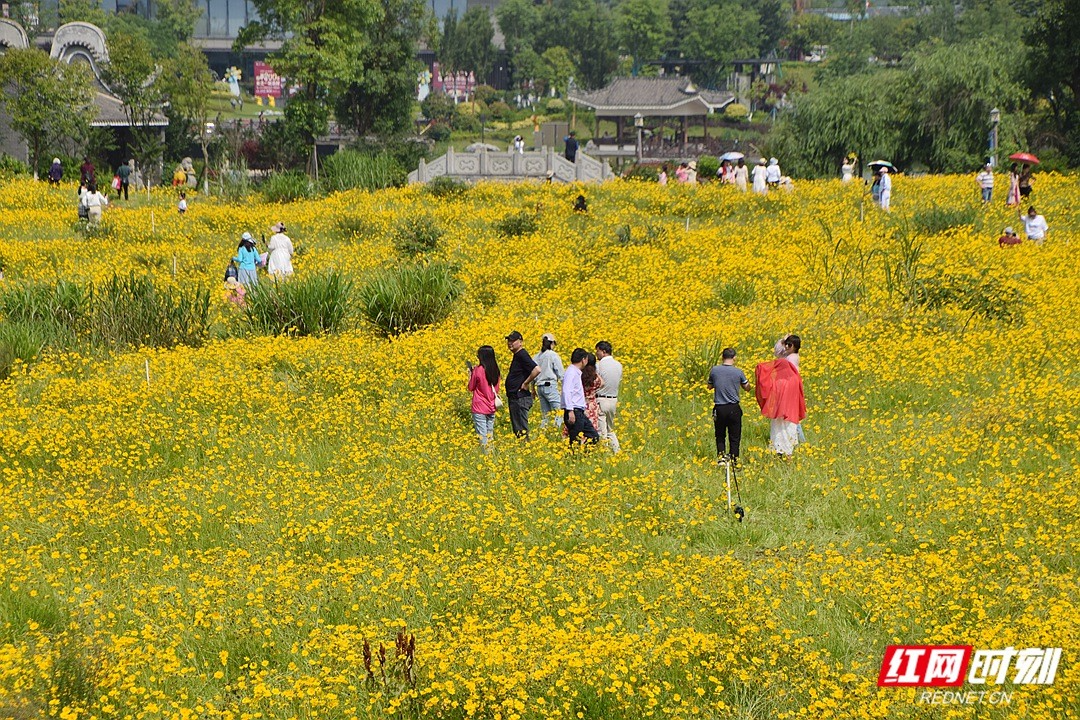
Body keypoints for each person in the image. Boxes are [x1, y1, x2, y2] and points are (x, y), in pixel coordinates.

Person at [755, 342, 806, 458]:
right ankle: (789, 456)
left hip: (778, 413)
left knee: (778, 433)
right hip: (791, 412)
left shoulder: (777, 381)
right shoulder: (794, 379)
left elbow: (766, 391)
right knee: (790, 432)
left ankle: (779, 455)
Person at [708, 348, 751, 464]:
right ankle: (734, 458)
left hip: (719, 408)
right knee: (735, 436)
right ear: (734, 358)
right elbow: (747, 387)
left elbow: (709, 386)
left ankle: (721, 458)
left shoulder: (714, 370)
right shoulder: (738, 372)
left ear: (722, 357)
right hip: (733, 408)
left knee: (720, 434)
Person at [561, 348, 600, 450]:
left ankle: (582, 455)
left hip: (579, 411)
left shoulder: (576, 372)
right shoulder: (571, 372)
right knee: (575, 440)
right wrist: (570, 411)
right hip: (574, 410)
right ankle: (573, 459)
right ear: (583, 360)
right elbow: (566, 391)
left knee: (593, 436)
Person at [504, 330, 540, 440]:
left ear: (520, 342)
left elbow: (537, 369)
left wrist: (526, 383)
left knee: (521, 429)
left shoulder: (522, 354)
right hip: (515, 397)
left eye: (513, 341)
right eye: (509, 341)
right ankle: (523, 446)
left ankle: (525, 447)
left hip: (520, 397)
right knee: (518, 428)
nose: (510, 343)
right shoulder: (518, 355)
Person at [467, 345, 501, 450]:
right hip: (491, 407)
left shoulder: (478, 370)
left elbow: (471, 387)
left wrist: (470, 375)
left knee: (482, 434)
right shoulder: (496, 370)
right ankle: (491, 454)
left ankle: (487, 457)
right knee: (489, 433)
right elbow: (497, 389)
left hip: (479, 407)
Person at [594, 340, 622, 453]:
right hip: (613, 399)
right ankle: (617, 451)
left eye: (598, 351)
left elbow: (596, 382)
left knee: (602, 431)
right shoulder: (619, 365)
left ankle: (604, 453)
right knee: (610, 429)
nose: (596, 353)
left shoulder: (599, 365)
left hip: (601, 399)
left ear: (603, 351)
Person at [533, 333, 564, 430]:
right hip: (550, 386)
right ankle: (556, 430)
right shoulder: (553, 355)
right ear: (552, 343)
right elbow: (560, 373)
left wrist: (532, 389)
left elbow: (533, 373)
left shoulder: (536, 356)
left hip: (539, 387)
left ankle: (543, 433)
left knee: (545, 414)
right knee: (560, 411)